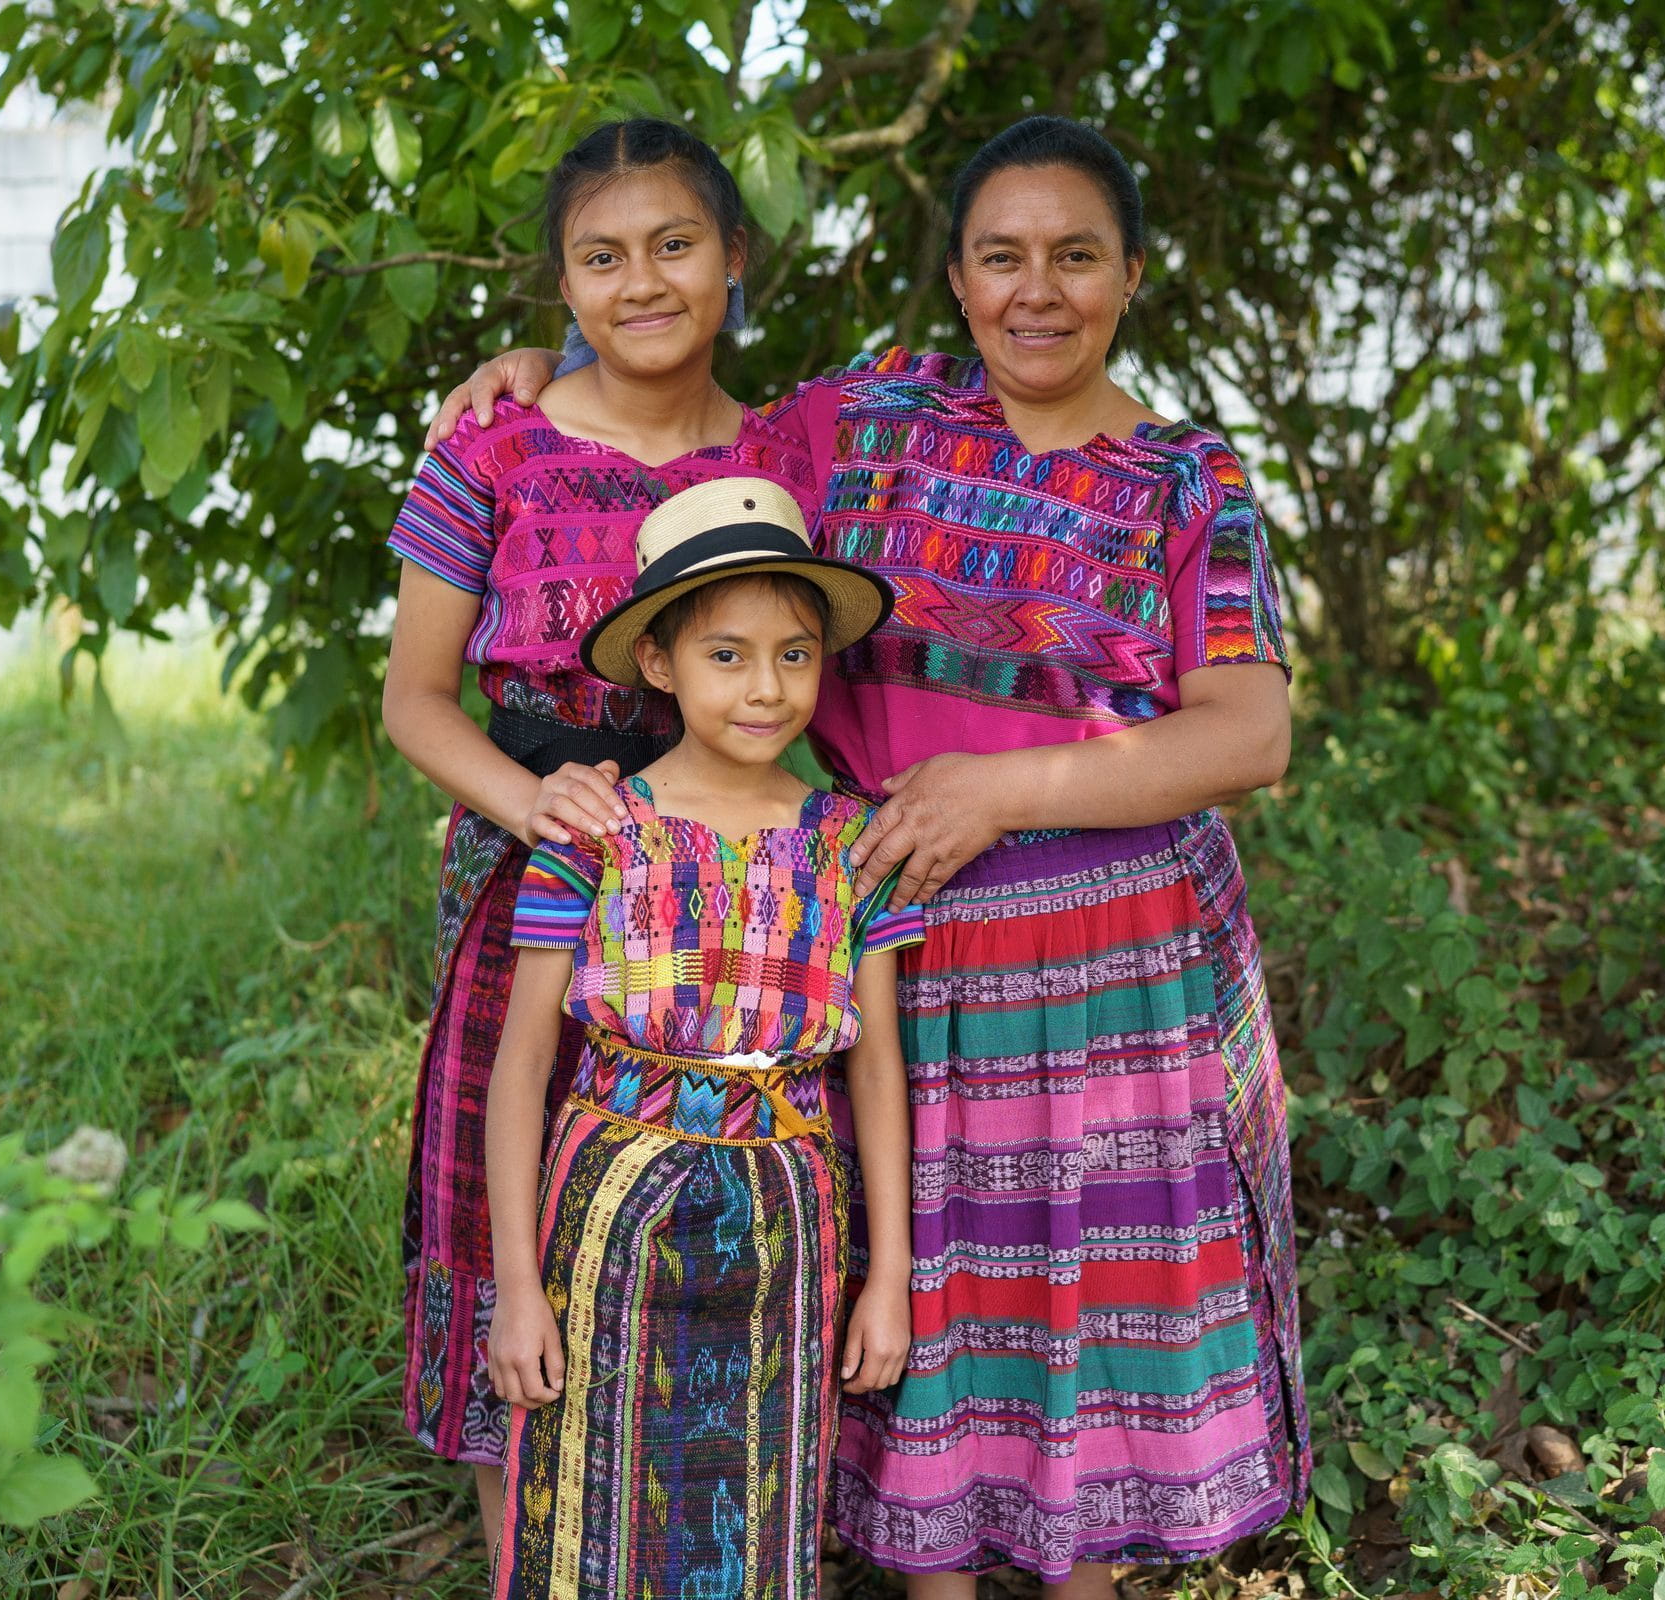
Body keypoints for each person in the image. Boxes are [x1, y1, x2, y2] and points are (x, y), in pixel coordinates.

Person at [434, 115, 1310, 1599]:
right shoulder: (871, 424)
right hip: (883, 946)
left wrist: (1007, 789)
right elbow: (682, 446)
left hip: (1117, 981)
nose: (1039, 292)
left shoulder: (1185, 480)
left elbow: (1251, 732)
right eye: (1001, 257)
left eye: (1076, 256)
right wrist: (535, 384)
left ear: (1133, 275)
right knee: (928, 1302)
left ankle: (1086, 1564)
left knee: (1087, 1304)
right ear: (958, 280)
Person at [378, 117, 819, 1556]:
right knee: (514, 1219)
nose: (642, 283)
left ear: (734, 259)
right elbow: (415, 702)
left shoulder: (778, 455)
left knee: (688, 1219)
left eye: (675, 245)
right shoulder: (494, 449)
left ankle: (691, 1546)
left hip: (726, 905)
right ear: (560, 286)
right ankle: (523, 1559)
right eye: (601, 257)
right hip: (534, 879)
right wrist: (537, 809)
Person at [483, 477, 919, 1598]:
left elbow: (875, 1065)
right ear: (661, 664)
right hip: (612, 1201)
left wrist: (892, 1276)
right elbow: (524, 1064)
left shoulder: (851, 840)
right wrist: (519, 1287)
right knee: (592, 1496)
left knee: (756, 1505)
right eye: (727, 655)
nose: (767, 687)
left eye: (795, 653)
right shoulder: (595, 826)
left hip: (790, 1214)